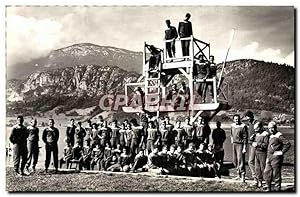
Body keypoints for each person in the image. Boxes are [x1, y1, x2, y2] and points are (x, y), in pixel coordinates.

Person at [263, 121, 291, 192]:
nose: (271, 130)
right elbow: (268, 147)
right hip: (269, 157)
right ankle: (268, 188)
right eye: (269, 128)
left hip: (276, 158)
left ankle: (277, 189)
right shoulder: (270, 135)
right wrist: (267, 157)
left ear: (275, 128)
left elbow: (287, 144)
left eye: (272, 128)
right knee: (267, 172)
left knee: (276, 174)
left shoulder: (279, 135)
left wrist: (281, 152)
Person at [251, 121, 269, 188]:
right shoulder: (257, 134)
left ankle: (267, 182)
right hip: (257, 152)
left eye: (256, 129)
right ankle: (259, 181)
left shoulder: (266, 134)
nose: (255, 130)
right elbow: (252, 141)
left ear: (261, 127)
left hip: (263, 153)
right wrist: (252, 139)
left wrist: (257, 144)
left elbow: (266, 145)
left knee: (263, 168)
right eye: (254, 129)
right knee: (257, 168)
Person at [230, 114, 248, 182]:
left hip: (240, 145)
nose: (236, 120)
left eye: (237, 119)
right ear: (233, 120)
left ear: (239, 119)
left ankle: (243, 176)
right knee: (235, 160)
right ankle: (238, 174)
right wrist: (232, 140)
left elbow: (245, 138)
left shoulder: (243, 126)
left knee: (241, 160)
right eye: (235, 119)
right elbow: (231, 134)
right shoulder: (232, 125)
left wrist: (244, 148)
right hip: (234, 144)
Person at [245, 111, 258, 181]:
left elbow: (261, 131)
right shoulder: (248, 124)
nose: (248, 119)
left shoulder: (256, 123)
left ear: (252, 116)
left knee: (250, 161)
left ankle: (255, 176)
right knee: (253, 161)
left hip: (255, 144)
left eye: (249, 117)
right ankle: (257, 176)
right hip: (250, 144)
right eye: (247, 117)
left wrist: (254, 135)